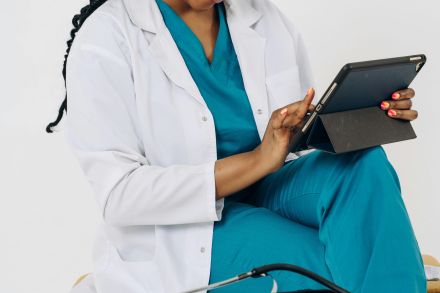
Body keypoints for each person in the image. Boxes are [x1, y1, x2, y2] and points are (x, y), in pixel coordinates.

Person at [46, 0, 426, 292]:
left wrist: (358, 116)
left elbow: (298, 142)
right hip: (190, 229)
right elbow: (119, 195)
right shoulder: (107, 38)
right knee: (335, 265)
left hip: (274, 190)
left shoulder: (262, 17)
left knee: (364, 164)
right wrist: (259, 159)